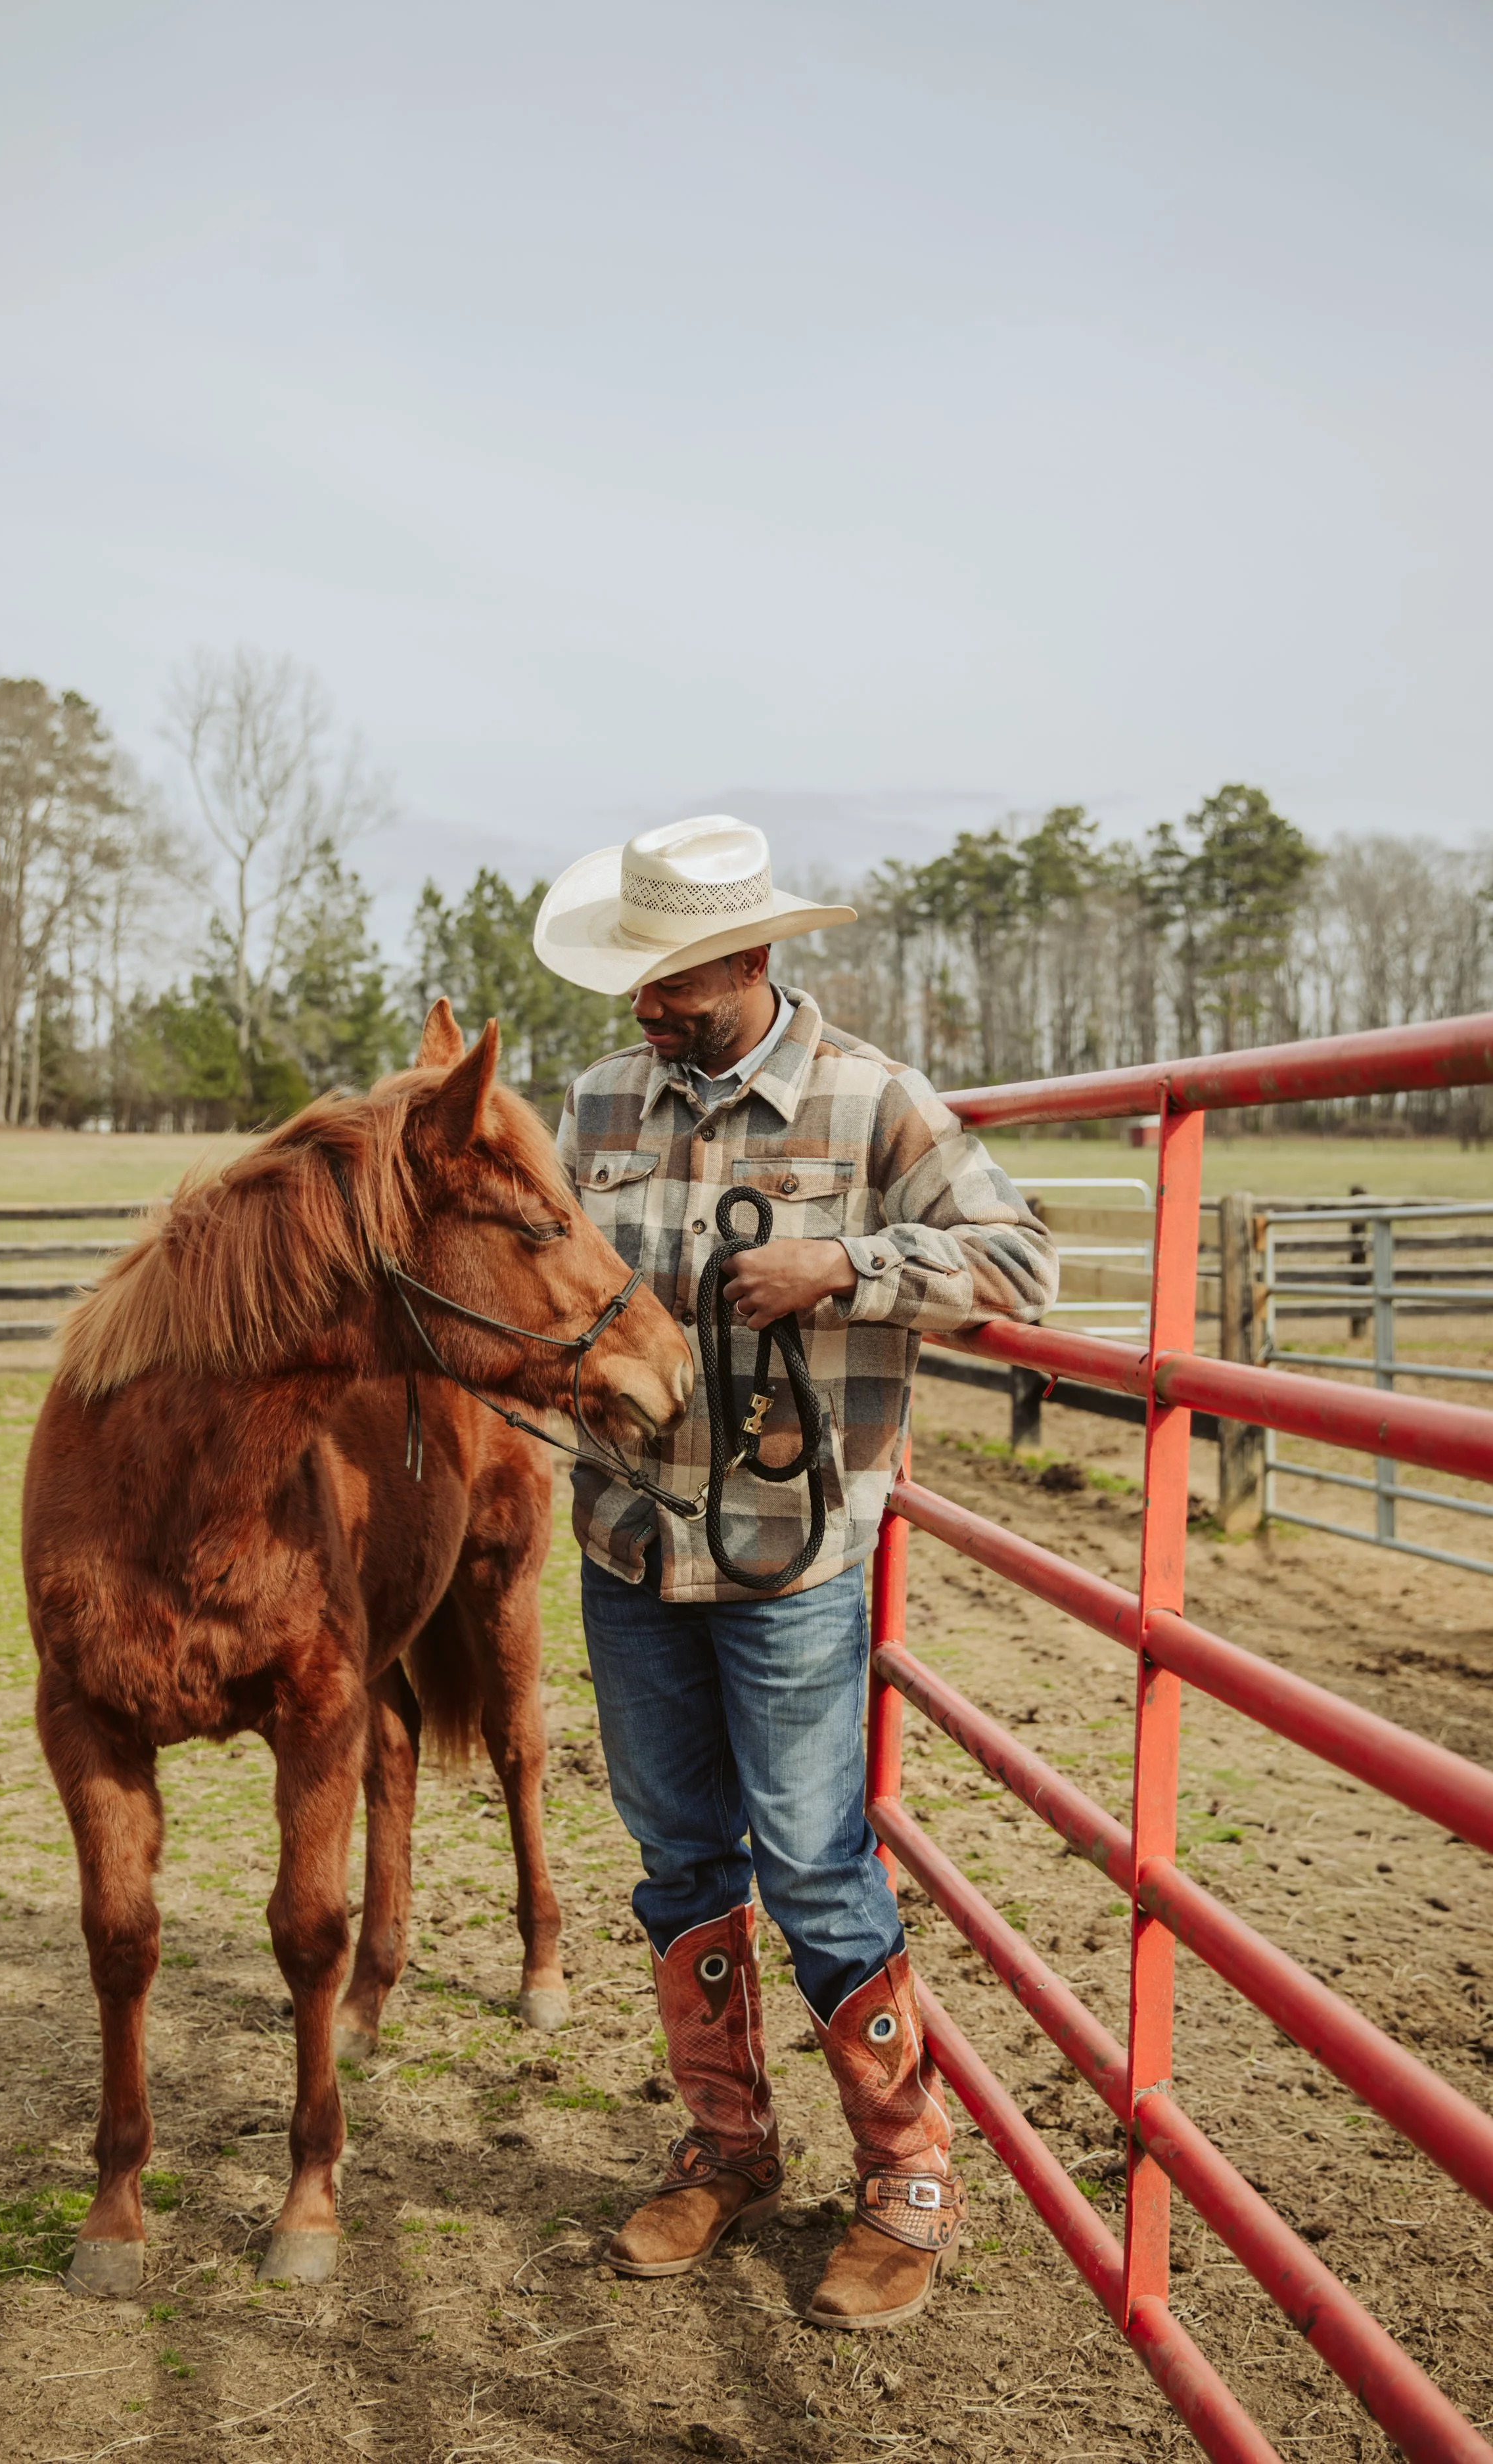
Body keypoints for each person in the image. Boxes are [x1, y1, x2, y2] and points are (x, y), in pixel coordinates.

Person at [534, 816, 1059, 2329]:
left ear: (750, 958)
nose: (643, 1005)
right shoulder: (591, 1106)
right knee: (675, 1859)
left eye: (671, 979)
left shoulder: (867, 1098)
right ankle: (726, 2144)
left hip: (794, 1556)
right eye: (633, 978)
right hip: (628, 1543)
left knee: (817, 1863)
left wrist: (848, 1269)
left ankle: (902, 2167)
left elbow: (1020, 1258)